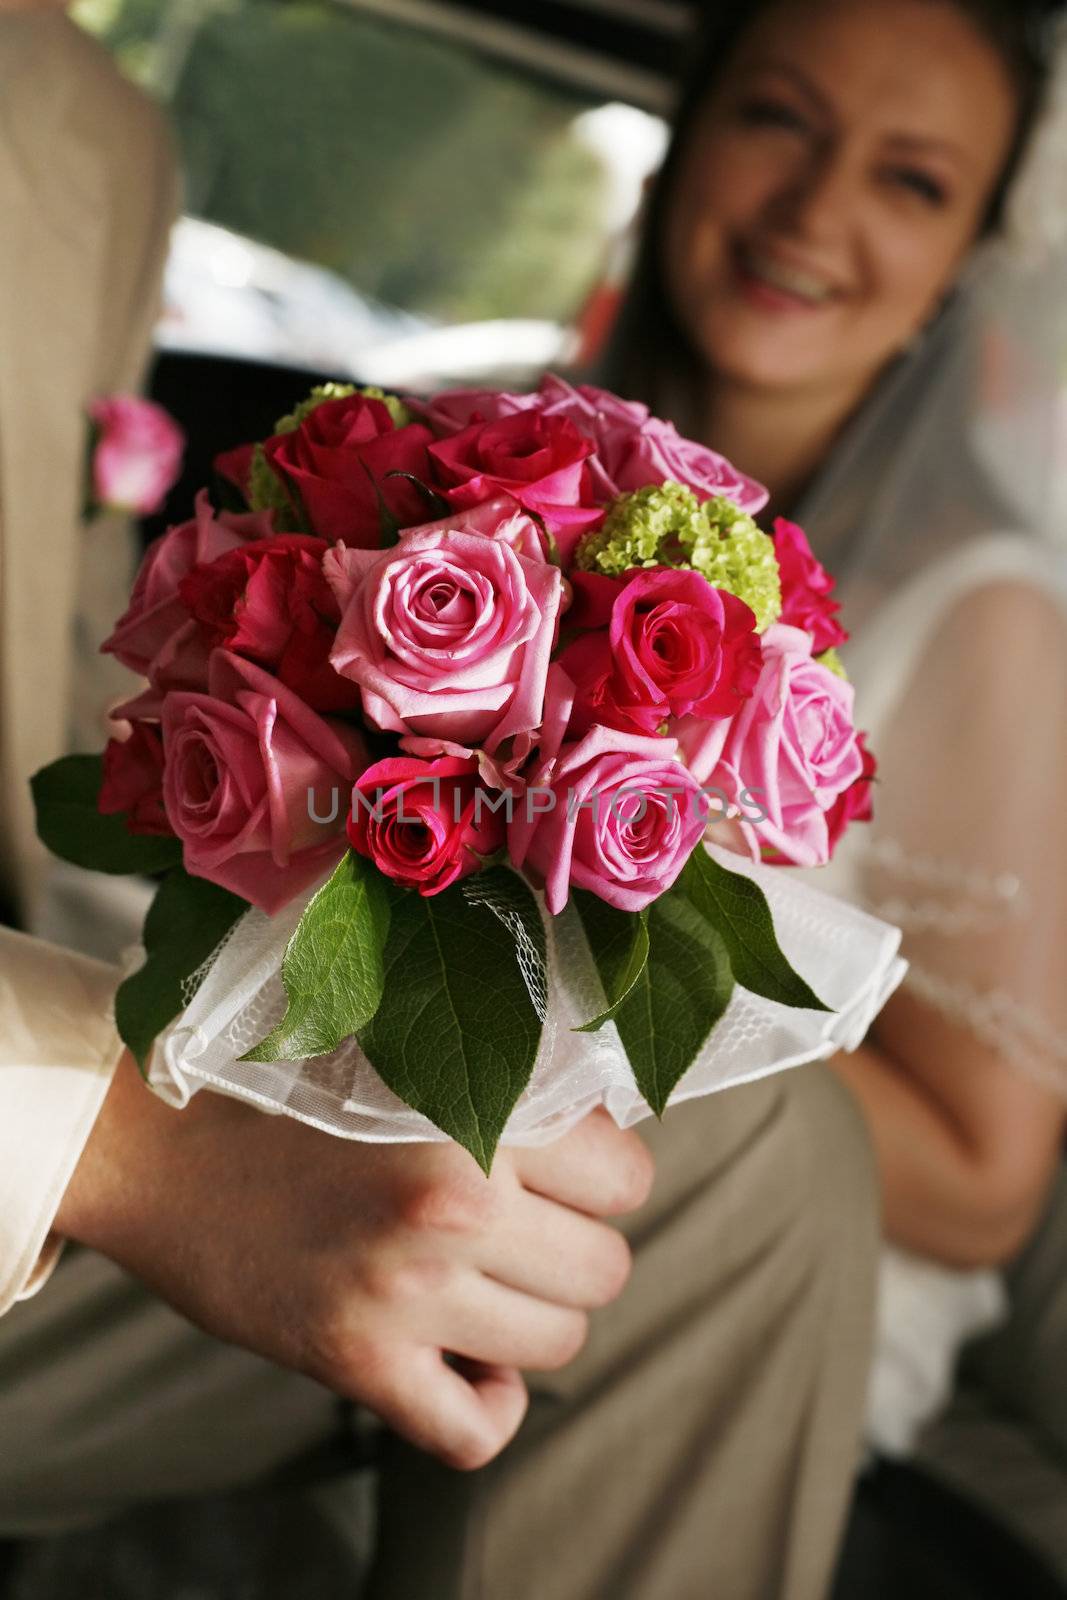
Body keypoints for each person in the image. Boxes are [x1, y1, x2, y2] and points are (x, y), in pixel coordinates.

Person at [0, 12, 877, 1600]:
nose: (821, 210)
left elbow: (41, 728)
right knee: (729, 1171)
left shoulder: (95, 132)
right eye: (778, 121)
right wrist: (131, 1147)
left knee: (692, 1147)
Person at [598, 0, 1067, 1542]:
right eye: (782, 119)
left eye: (912, 181)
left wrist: (584, 982)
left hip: (744, 1334)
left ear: (964, 265)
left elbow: (986, 1182)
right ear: (691, 135)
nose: (816, 212)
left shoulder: (984, 613)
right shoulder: (531, 481)